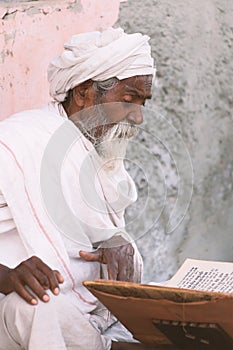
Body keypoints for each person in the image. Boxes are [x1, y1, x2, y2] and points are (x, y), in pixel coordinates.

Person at [0, 27, 155, 350]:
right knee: (37, 306)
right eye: (128, 101)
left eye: (143, 103)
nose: (138, 118)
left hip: (90, 309)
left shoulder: (97, 152)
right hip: (22, 309)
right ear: (85, 92)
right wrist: (6, 275)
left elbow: (98, 238)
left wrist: (117, 241)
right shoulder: (15, 143)